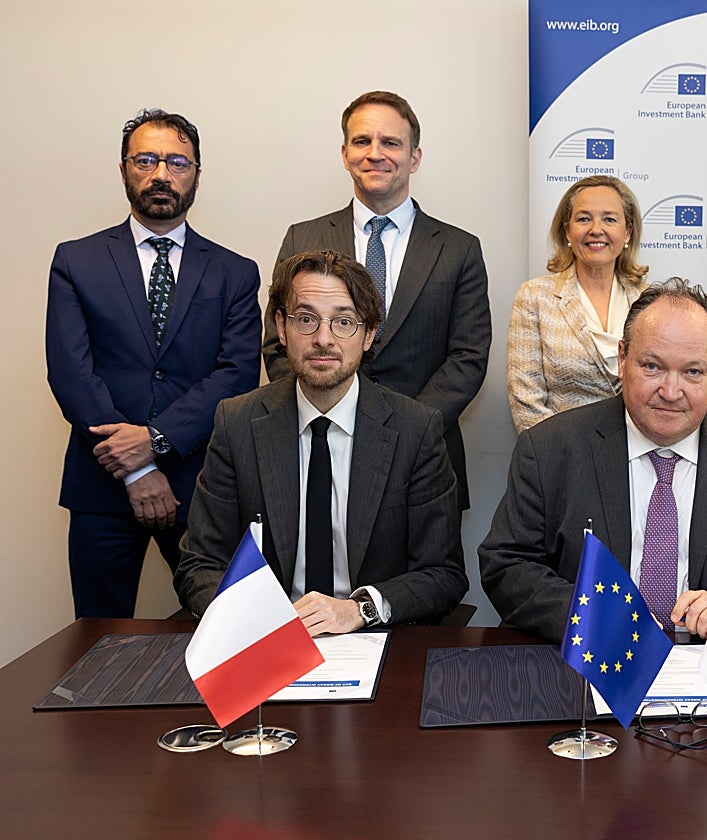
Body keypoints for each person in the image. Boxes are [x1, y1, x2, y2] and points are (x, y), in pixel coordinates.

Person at [480, 278, 707, 643]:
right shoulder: (549, 449)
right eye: (652, 366)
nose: (670, 391)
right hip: (587, 663)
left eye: (692, 372)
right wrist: (591, 612)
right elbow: (506, 564)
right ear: (622, 359)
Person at [175, 250, 467, 634]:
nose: (323, 339)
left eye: (344, 322)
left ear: (369, 333)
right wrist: (257, 617)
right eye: (306, 319)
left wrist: (359, 610)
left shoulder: (416, 429)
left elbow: (443, 574)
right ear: (281, 328)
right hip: (265, 640)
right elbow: (199, 564)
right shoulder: (238, 422)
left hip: (373, 640)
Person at [46, 108, 261, 619]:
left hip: (201, 484)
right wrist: (137, 466)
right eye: (146, 160)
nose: (161, 174)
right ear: (124, 169)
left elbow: (236, 374)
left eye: (177, 163)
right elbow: (71, 372)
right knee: (97, 644)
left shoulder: (235, 272)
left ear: (197, 176)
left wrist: (157, 440)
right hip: (102, 485)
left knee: (226, 633)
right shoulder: (76, 261)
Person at [262, 91, 490, 510]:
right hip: (319, 446)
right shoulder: (302, 238)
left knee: (425, 575)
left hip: (425, 458)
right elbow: (278, 344)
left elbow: (468, 359)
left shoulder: (459, 249)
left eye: (391, 142)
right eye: (362, 141)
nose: (375, 153)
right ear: (345, 153)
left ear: (414, 157)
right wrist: (331, 416)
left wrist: (405, 432)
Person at [507, 175, 648, 433]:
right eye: (584, 219)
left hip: (638, 454)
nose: (596, 229)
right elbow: (526, 401)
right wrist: (558, 460)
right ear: (568, 231)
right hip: (562, 456)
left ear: (627, 231)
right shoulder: (534, 297)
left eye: (609, 219)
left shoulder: (650, 302)